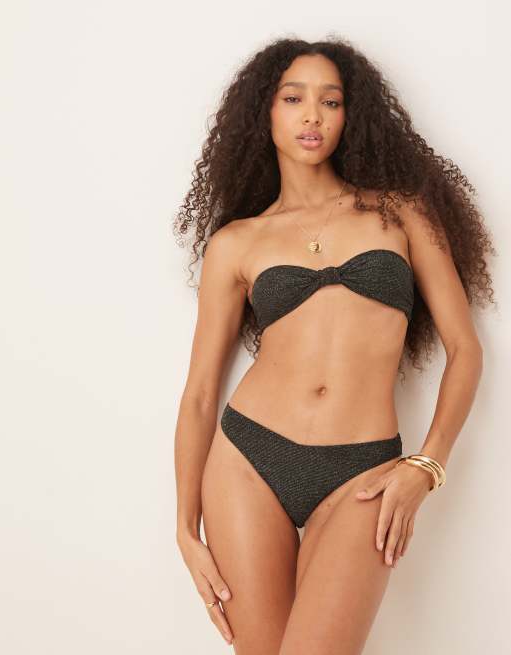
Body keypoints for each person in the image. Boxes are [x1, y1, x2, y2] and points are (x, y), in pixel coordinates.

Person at [173, 36, 495, 654]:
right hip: (248, 461)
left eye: (331, 101)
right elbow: (200, 395)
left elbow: (466, 351)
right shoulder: (237, 242)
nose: (312, 116)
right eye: (293, 98)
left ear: (352, 115)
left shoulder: (400, 213)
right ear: (265, 112)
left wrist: (426, 467)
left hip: (365, 471)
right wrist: (187, 531)